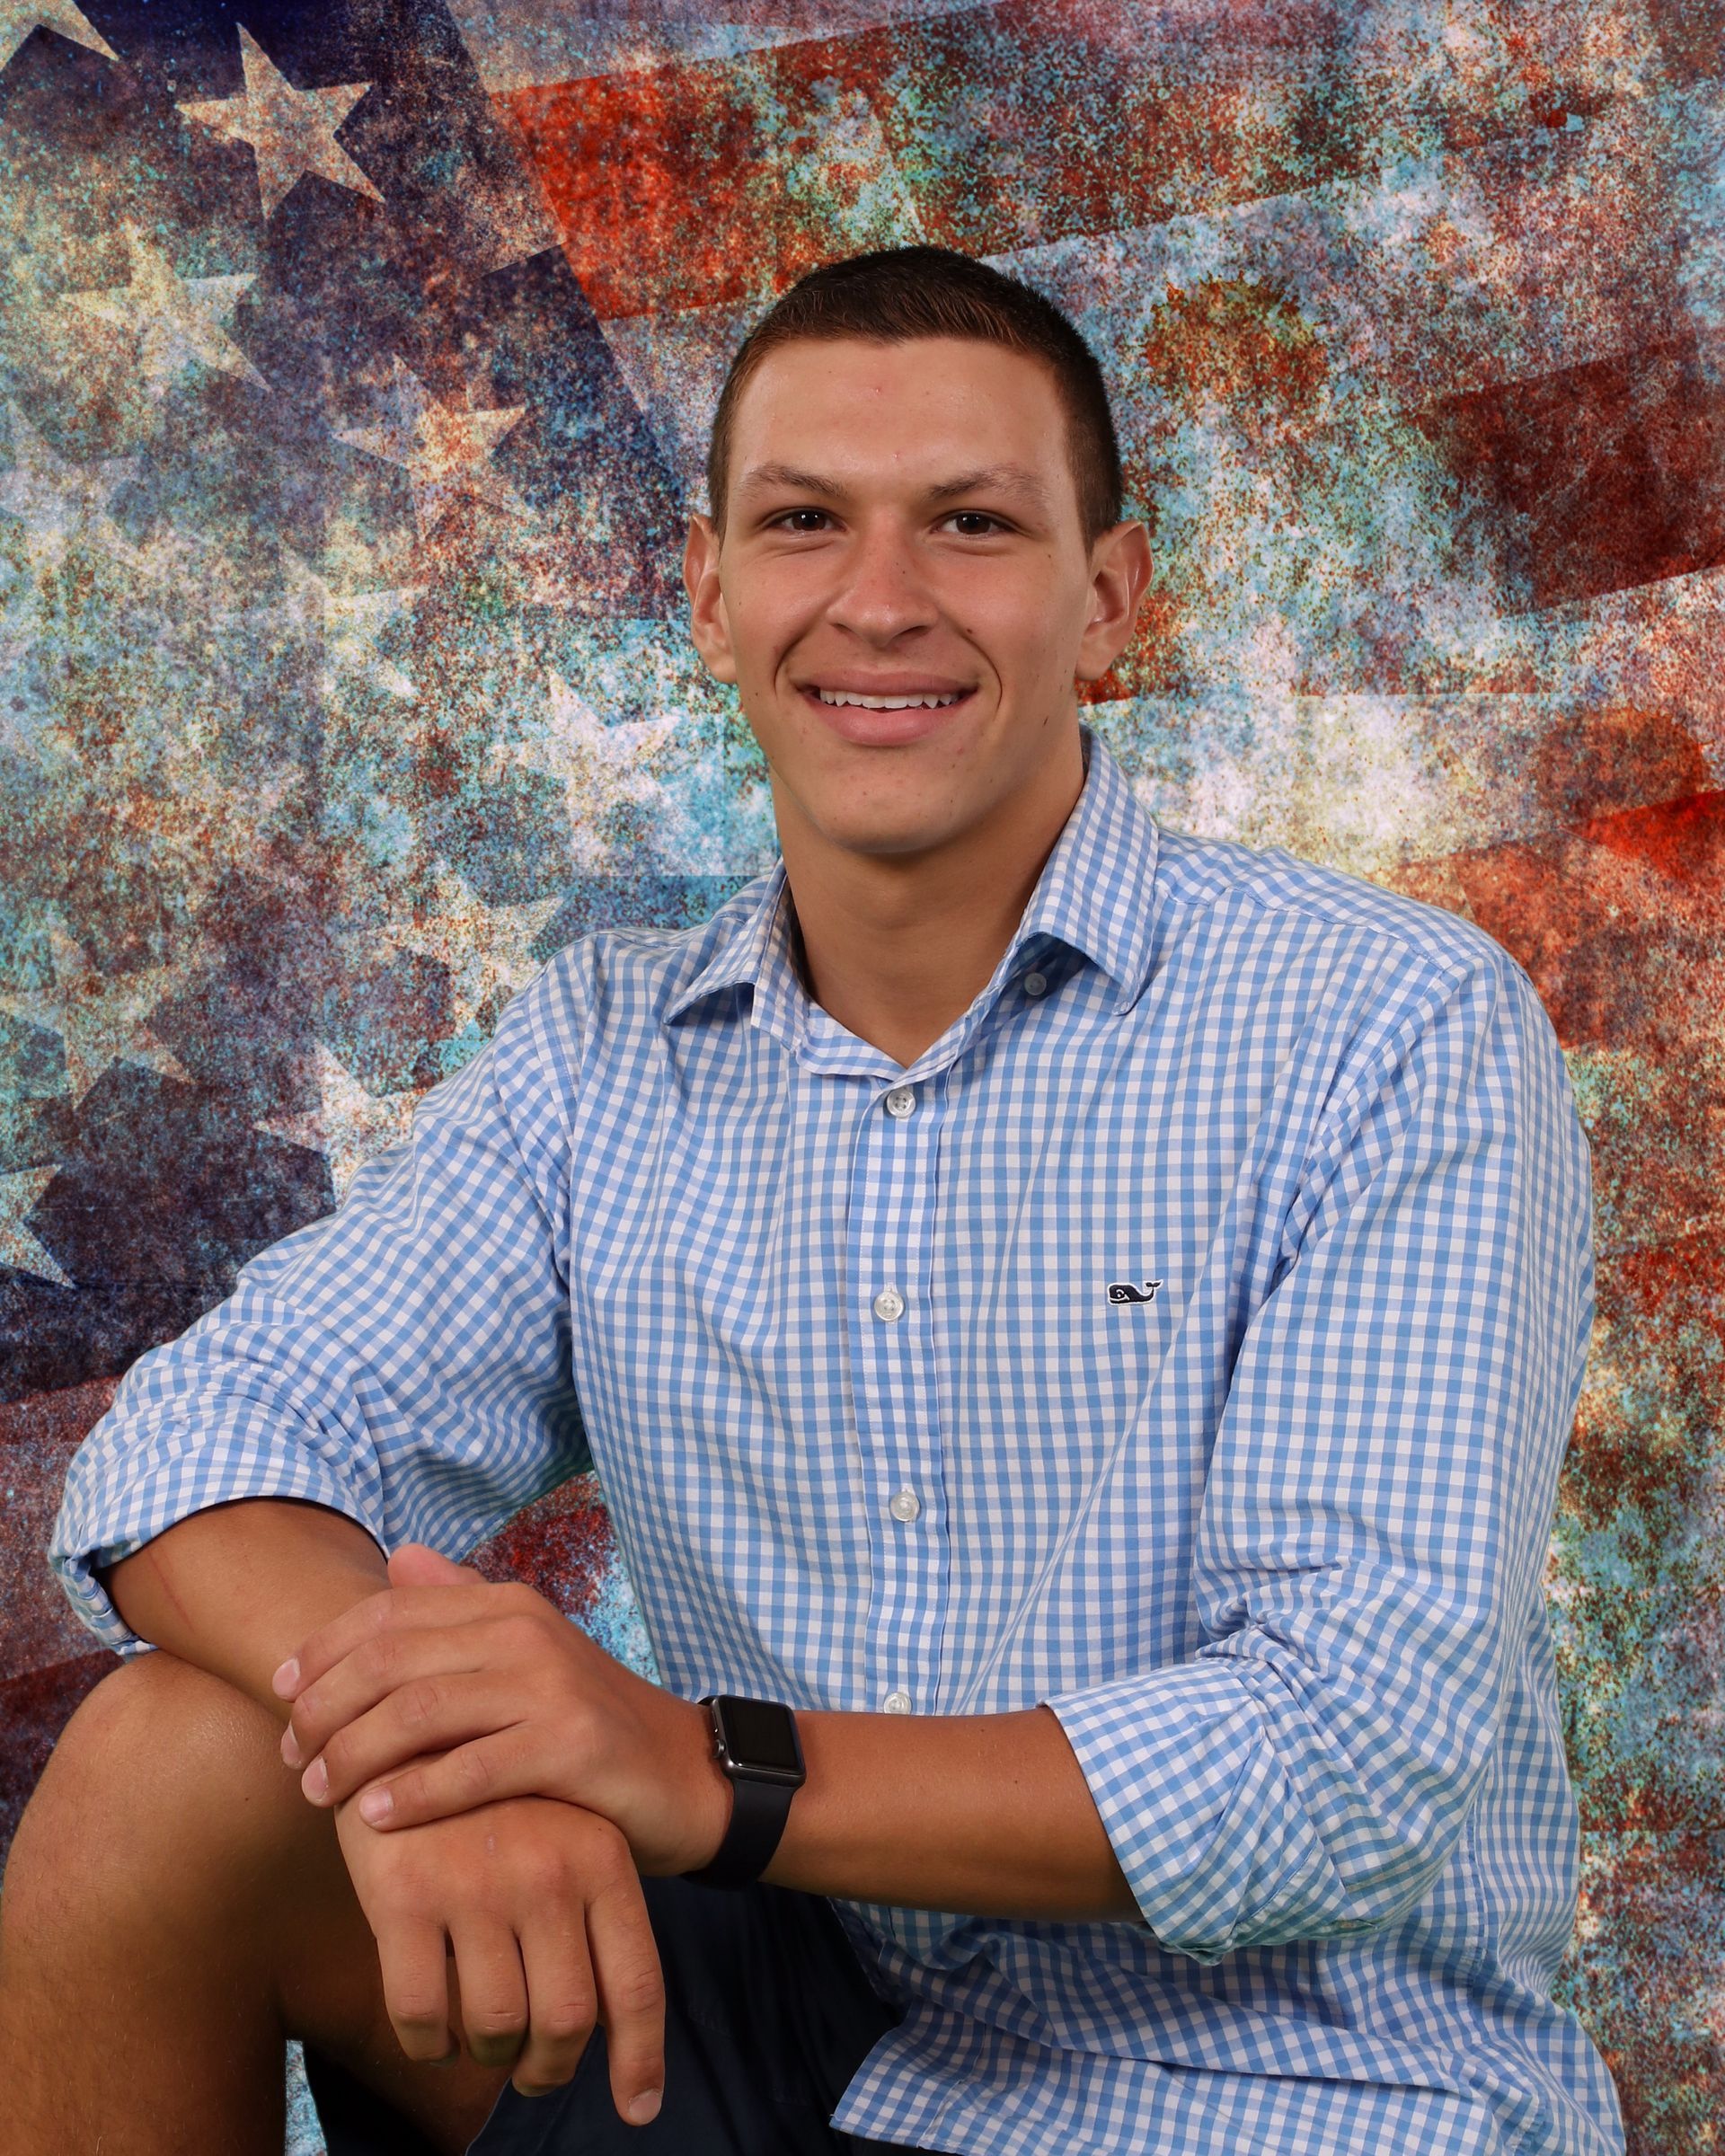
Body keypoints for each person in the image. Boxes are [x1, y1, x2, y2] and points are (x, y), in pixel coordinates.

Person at [2, 245, 1624, 2156]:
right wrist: (438, 1739)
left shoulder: (1390, 1023)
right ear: (708, 593)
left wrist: (697, 1770)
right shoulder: (608, 1050)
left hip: (1289, 2091)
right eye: (802, 523)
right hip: (788, 2022)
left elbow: (1344, 1758)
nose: (879, 600)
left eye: (969, 522)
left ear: (1112, 598)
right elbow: (195, 1441)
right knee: (171, 1765)